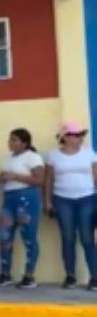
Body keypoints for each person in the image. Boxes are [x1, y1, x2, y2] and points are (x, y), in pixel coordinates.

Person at [44, 122, 97, 290]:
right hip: (62, 199)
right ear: (65, 137)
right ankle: (70, 275)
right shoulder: (53, 156)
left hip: (87, 198)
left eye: (81, 134)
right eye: (77, 134)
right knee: (68, 238)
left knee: (87, 239)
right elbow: (48, 180)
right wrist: (47, 201)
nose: (80, 138)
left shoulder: (89, 154)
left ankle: (94, 276)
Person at [0, 128, 45, 289]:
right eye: (10, 139)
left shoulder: (33, 157)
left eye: (14, 140)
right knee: (4, 237)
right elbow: (2, 179)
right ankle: (5, 274)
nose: (10, 143)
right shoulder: (7, 159)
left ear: (25, 143)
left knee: (29, 237)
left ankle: (29, 275)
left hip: (27, 200)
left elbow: (40, 180)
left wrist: (15, 176)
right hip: (9, 200)